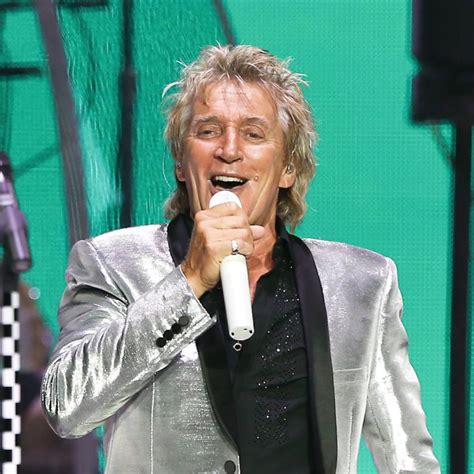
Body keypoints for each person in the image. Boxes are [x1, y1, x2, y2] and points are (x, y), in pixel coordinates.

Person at [41, 45, 440, 473]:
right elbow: (67, 406)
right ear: (181, 162)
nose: (229, 149)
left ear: (288, 168)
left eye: (253, 134)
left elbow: (409, 460)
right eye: (209, 130)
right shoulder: (112, 263)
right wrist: (189, 281)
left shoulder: (362, 284)